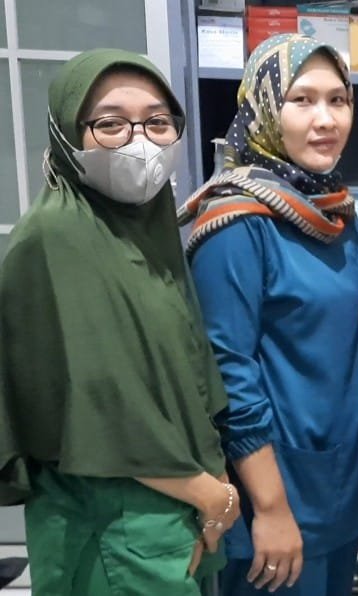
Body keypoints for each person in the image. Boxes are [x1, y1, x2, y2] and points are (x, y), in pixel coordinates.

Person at [0, 49, 239, 595]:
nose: (140, 142)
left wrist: (212, 485)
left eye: (158, 122)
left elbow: (179, 368)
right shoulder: (55, 238)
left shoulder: (144, 230)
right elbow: (96, 404)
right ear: (68, 134)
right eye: (110, 124)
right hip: (110, 521)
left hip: (170, 512)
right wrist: (211, 495)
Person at [178, 34, 358, 595]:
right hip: (279, 499)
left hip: (341, 482)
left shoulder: (334, 211)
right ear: (265, 108)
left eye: (338, 100)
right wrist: (270, 508)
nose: (326, 119)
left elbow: (353, 347)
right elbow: (228, 373)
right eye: (302, 100)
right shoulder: (238, 222)